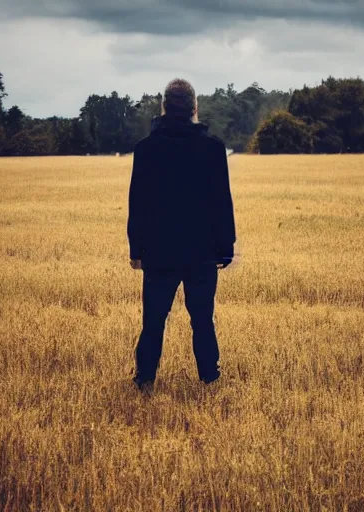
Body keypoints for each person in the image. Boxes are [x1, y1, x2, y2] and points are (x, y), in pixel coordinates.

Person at [127, 78, 236, 390]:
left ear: (164, 107)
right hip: (202, 251)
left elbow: (138, 203)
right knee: (202, 320)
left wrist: (137, 249)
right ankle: (210, 379)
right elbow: (221, 201)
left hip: (159, 252)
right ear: (194, 109)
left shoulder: (146, 149)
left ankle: (144, 379)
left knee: (153, 322)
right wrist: (226, 246)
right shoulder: (213, 149)